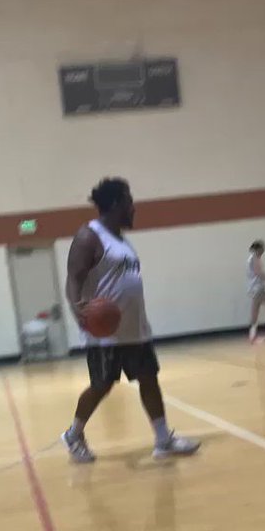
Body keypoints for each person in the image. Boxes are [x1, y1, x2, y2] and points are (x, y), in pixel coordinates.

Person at [62, 178, 200, 463]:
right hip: (104, 331)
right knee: (101, 385)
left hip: (135, 328)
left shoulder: (122, 240)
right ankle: (73, 434)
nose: (133, 208)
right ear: (116, 204)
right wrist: (79, 312)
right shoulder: (89, 236)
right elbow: (73, 279)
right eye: (129, 201)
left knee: (149, 379)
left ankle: (163, 440)